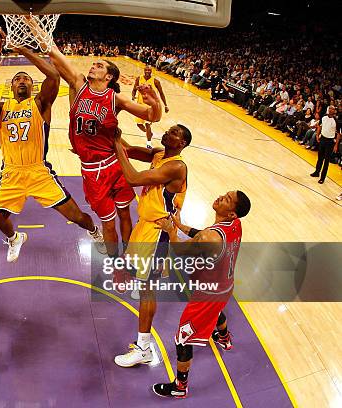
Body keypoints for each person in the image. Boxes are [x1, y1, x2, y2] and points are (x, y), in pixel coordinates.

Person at [0, 33, 105, 263]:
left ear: (32, 85)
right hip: (11, 173)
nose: (22, 80)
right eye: (17, 79)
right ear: (11, 85)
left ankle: (94, 231)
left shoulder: (41, 104)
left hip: (39, 172)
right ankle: (15, 238)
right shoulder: (0, 108)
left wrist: (21, 49)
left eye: (26, 79)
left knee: (77, 216)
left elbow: (53, 75)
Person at [35, 22, 162, 257]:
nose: (93, 65)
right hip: (92, 171)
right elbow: (53, 52)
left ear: (109, 75)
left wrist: (155, 103)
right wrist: (34, 25)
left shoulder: (115, 98)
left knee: (125, 213)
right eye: (94, 64)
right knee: (108, 223)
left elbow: (151, 116)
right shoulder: (79, 84)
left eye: (99, 65)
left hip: (115, 163)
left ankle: (129, 255)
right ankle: (116, 264)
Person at [152, 190, 251, 398]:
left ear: (232, 213)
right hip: (225, 286)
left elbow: (180, 249)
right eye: (225, 194)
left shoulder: (210, 237)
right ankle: (224, 338)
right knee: (216, 312)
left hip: (208, 295)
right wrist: (180, 225)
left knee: (182, 339)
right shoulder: (234, 225)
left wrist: (171, 231)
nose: (221, 197)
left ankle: (180, 387)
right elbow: (201, 235)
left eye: (227, 199)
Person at [112, 124, 190, 367]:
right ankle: (143, 341)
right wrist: (112, 135)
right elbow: (130, 150)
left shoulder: (177, 166)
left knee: (148, 290)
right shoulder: (159, 154)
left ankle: (143, 348)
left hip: (158, 232)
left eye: (175, 133)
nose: (169, 133)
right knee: (139, 278)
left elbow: (133, 178)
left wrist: (115, 144)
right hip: (146, 225)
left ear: (182, 144)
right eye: (169, 130)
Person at [131, 65, 168, 149]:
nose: (148, 71)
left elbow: (161, 93)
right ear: (144, 70)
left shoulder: (156, 82)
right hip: (140, 105)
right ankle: (149, 133)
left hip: (151, 107)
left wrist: (165, 105)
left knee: (147, 124)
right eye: (146, 70)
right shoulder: (138, 79)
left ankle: (148, 143)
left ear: (152, 71)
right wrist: (133, 96)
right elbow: (134, 90)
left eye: (149, 70)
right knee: (139, 124)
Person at [310, 105, 339, 184]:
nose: (331, 110)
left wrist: (336, 145)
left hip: (330, 142)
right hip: (322, 138)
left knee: (326, 160)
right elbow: (319, 126)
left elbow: (339, 134)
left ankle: (322, 177)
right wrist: (317, 135)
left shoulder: (336, 120)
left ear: (335, 111)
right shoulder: (324, 117)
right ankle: (317, 172)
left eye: (332, 109)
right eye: (330, 108)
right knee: (320, 157)